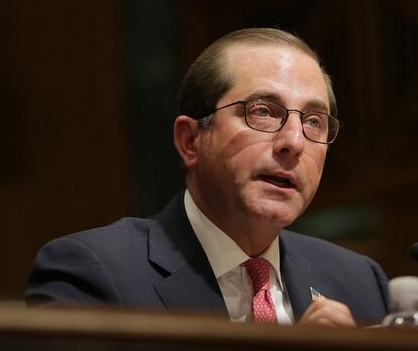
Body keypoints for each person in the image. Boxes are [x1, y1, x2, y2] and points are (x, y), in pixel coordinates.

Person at [25, 28, 389, 327]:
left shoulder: (360, 283)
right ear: (190, 141)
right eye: (262, 112)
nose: (294, 142)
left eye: (314, 121)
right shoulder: (95, 274)